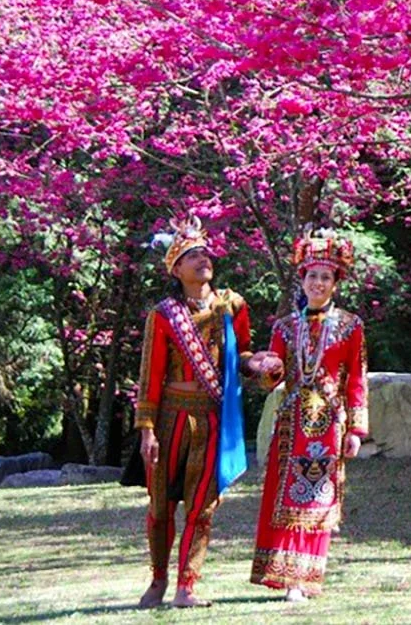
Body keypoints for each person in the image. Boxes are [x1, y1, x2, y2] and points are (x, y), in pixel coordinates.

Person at [135, 215, 263, 609]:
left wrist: (257, 364)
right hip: (171, 416)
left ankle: (187, 586)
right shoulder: (164, 315)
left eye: (205, 252)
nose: (202, 259)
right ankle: (158, 580)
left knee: (203, 505)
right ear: (176, 268)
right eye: (191, 255)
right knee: (161, 506)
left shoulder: (232, 306)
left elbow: (240, 353)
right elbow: (150, 374)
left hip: (211, 418)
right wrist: (147, 429)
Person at [251, 228, 368, 602]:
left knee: (316, 497)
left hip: (328, 424)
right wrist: (263, 367)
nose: (318, 282)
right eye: (312, 275)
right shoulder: (285, 327)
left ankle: (306, 578)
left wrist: (356, 429)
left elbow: (357, 379)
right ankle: (287, 577)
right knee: (286, 497)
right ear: (301, 280)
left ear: (336, 283)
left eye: (326, 277)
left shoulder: (352, 326)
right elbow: (273, 379)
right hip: (291, 421)